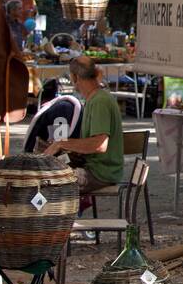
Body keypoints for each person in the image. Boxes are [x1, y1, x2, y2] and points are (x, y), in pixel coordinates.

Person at [44, 56, 124, 208]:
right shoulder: (96, 98)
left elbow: (100, 145)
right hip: (97, 168)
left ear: (75, 77)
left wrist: (61, 143)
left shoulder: (100, 101)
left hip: (101, 173)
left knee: (46, 184)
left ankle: (56, 227)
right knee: (47, 172)